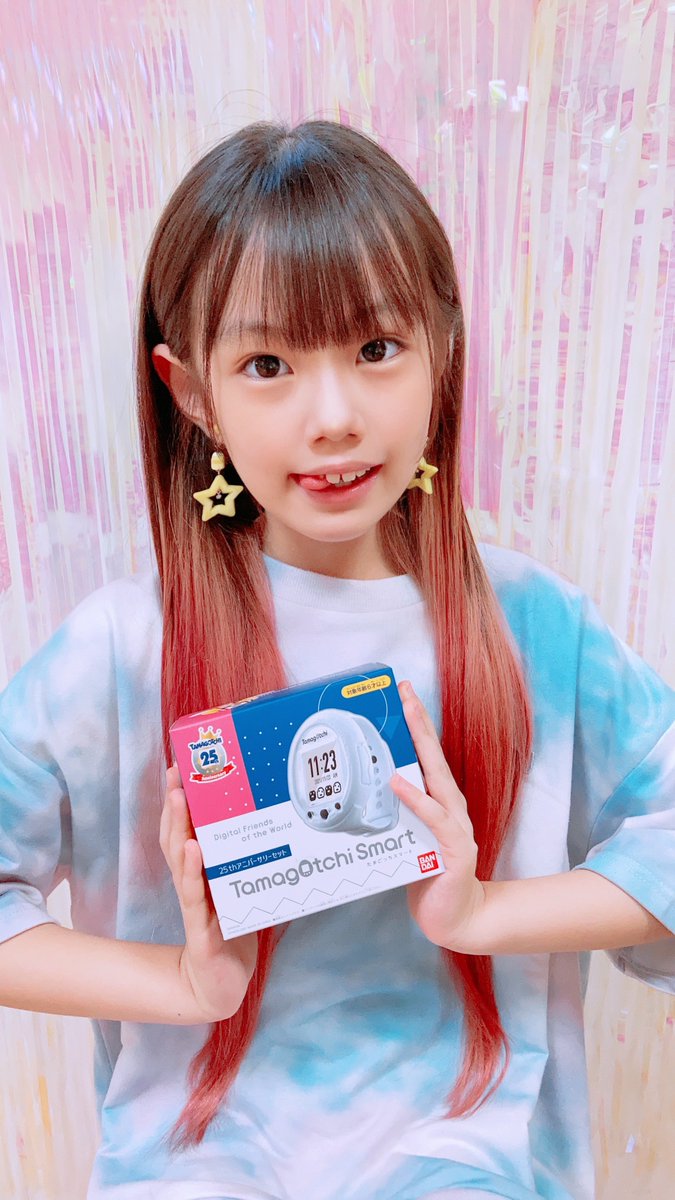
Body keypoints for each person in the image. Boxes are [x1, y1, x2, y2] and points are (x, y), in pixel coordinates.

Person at [0, 120, 674, 1200]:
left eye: (375, 349)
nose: (333, 419)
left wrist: (484, 915)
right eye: (267, 364)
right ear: (190, 390)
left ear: (440, 347)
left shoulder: (534, 628)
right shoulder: (122, 650)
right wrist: (187, 984)